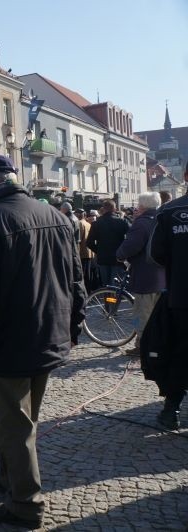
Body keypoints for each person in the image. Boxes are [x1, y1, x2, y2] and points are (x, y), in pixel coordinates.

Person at [0, 155, 86, 528]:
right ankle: (10, 476)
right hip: (46, 335)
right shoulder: (57, 217)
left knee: (11, 425)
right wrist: (72, 329)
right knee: (23, 420)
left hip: (4, 345)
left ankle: (25, 505)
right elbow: (76, 281)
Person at [146, 162, 188, 430]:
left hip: (182, 295)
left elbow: (155, 255)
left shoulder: (169, 211)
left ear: (185, 176)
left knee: (180, 350)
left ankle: (171, 409)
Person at [115, 192, 165, 355]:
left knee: (141, 313)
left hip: (145, 276)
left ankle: (143, 347)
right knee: (158, 314)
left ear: (142, 206)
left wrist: (120, 255)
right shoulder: (162, 220)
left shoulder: (141, 223)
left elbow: (131, 246)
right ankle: (157, 344)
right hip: (163, 276)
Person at [85, 200, 130, 286]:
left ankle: (107, 299)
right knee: (116, 285)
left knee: (106, 285)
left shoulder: (96, 223)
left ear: (103, 209)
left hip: (103, 258)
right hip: (118, 258)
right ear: (114, 209)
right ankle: (115, 299)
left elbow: (89, 242)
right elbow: (131, 238)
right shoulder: (122, 222)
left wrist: (99, 251)